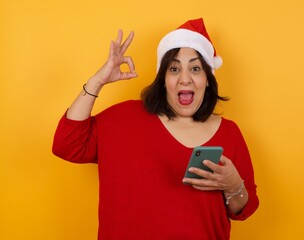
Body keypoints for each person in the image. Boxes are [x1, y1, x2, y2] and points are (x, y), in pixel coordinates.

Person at [52, 18, 259, 240]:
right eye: (174, 68)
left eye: (196, 68)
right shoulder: (123, 119)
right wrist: (97, 81)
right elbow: (67, 144)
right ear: (163, 79)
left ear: (208, 79)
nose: (185, 79)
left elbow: (242, 210)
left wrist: (234, 185)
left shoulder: (229, 133)